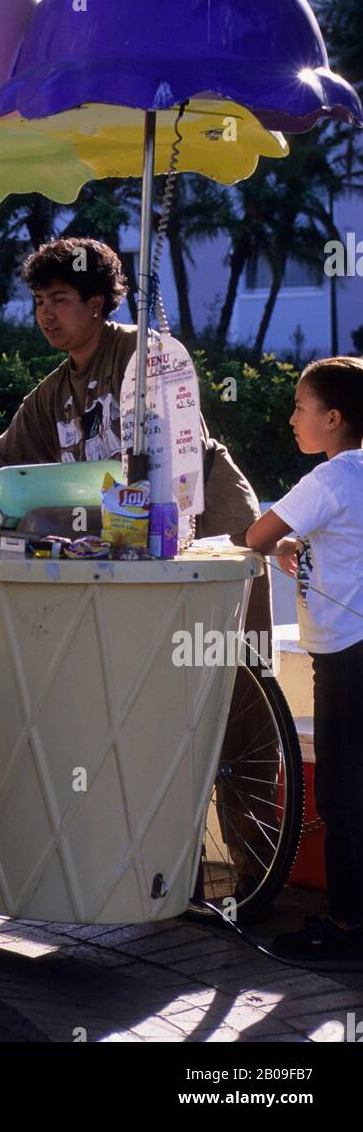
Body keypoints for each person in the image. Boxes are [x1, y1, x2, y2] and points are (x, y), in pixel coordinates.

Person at [0, 237, 277, 904]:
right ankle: (167, 871)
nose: (45, 314)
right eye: (38, 301)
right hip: (131, 562)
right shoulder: (52, 391)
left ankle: (254, 873)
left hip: (210, 545)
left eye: (59, 300)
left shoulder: (147, 357)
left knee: (237, 700)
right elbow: (1, 468)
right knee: (146, 707)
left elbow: (174, 452)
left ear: (97, 304)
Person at [246, 356, 363, 958]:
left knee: (343, 793)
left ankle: (347, 928)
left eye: (301, 407)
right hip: (351, 649)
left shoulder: (331, 478)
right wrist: (305, 538)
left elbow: (256, 536)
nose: (292, 418)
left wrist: (289, 536)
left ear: (334, 418)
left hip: (346, 655)